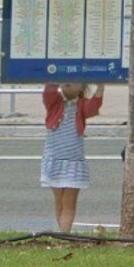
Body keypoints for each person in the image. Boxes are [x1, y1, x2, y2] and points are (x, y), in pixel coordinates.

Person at [37, 80, 103, 235]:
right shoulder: (54, 103)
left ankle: (64, 234)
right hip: (54, 160)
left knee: (69, 202)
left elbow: (93, 107)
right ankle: (63, 233)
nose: (69, 82)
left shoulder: (82, 105)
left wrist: (100, 87)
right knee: (59, 201)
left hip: (73, 162)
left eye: (75, 81)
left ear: (82, 87)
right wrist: (56, 75)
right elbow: (49, 92)